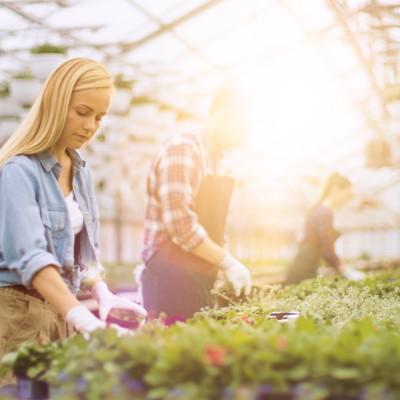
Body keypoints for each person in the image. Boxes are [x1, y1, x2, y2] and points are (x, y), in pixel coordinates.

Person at [0, 58, 147, 382]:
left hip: (63, 313)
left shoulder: (80, 170)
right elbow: (32, 258)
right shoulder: (18, 172)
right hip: (18, 315)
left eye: (99, 117)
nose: (91, 126)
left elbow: (81, 256)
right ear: (55, 104)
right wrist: (81, 315)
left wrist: (101, 293)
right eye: (82, 112)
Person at [141, 86, 254, 319]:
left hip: (196, 278)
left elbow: (212, 225)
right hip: (171, 279)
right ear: (225, 117)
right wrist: (228, 262)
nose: (241, 142)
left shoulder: (215, 158)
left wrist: (222, 262)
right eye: (241, 132)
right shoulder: (184, 149)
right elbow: (182, 227)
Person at [285, 172, 366, 284]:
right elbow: (328, 252)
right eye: (347, 195)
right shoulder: (323, 213)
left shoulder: (320, 209)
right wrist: (347, 271)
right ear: (336, 189)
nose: (346, 200)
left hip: (303, 266)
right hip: (303, 270)